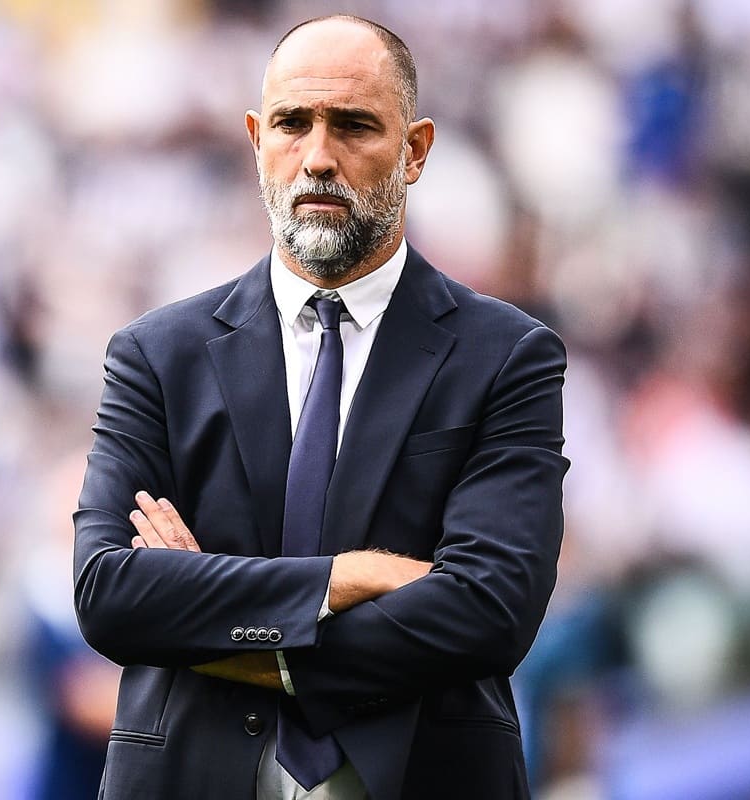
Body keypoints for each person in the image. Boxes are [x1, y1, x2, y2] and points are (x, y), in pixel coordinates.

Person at [73, 15, 568, 800]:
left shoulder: (507, 354)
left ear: (415, 151)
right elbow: (110, 594)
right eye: (292, 123)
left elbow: (488, 612)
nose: (317, 157)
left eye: (354, 125)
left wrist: (221, 634)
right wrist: (345, 578)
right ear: (255, 139)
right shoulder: (155, 355)